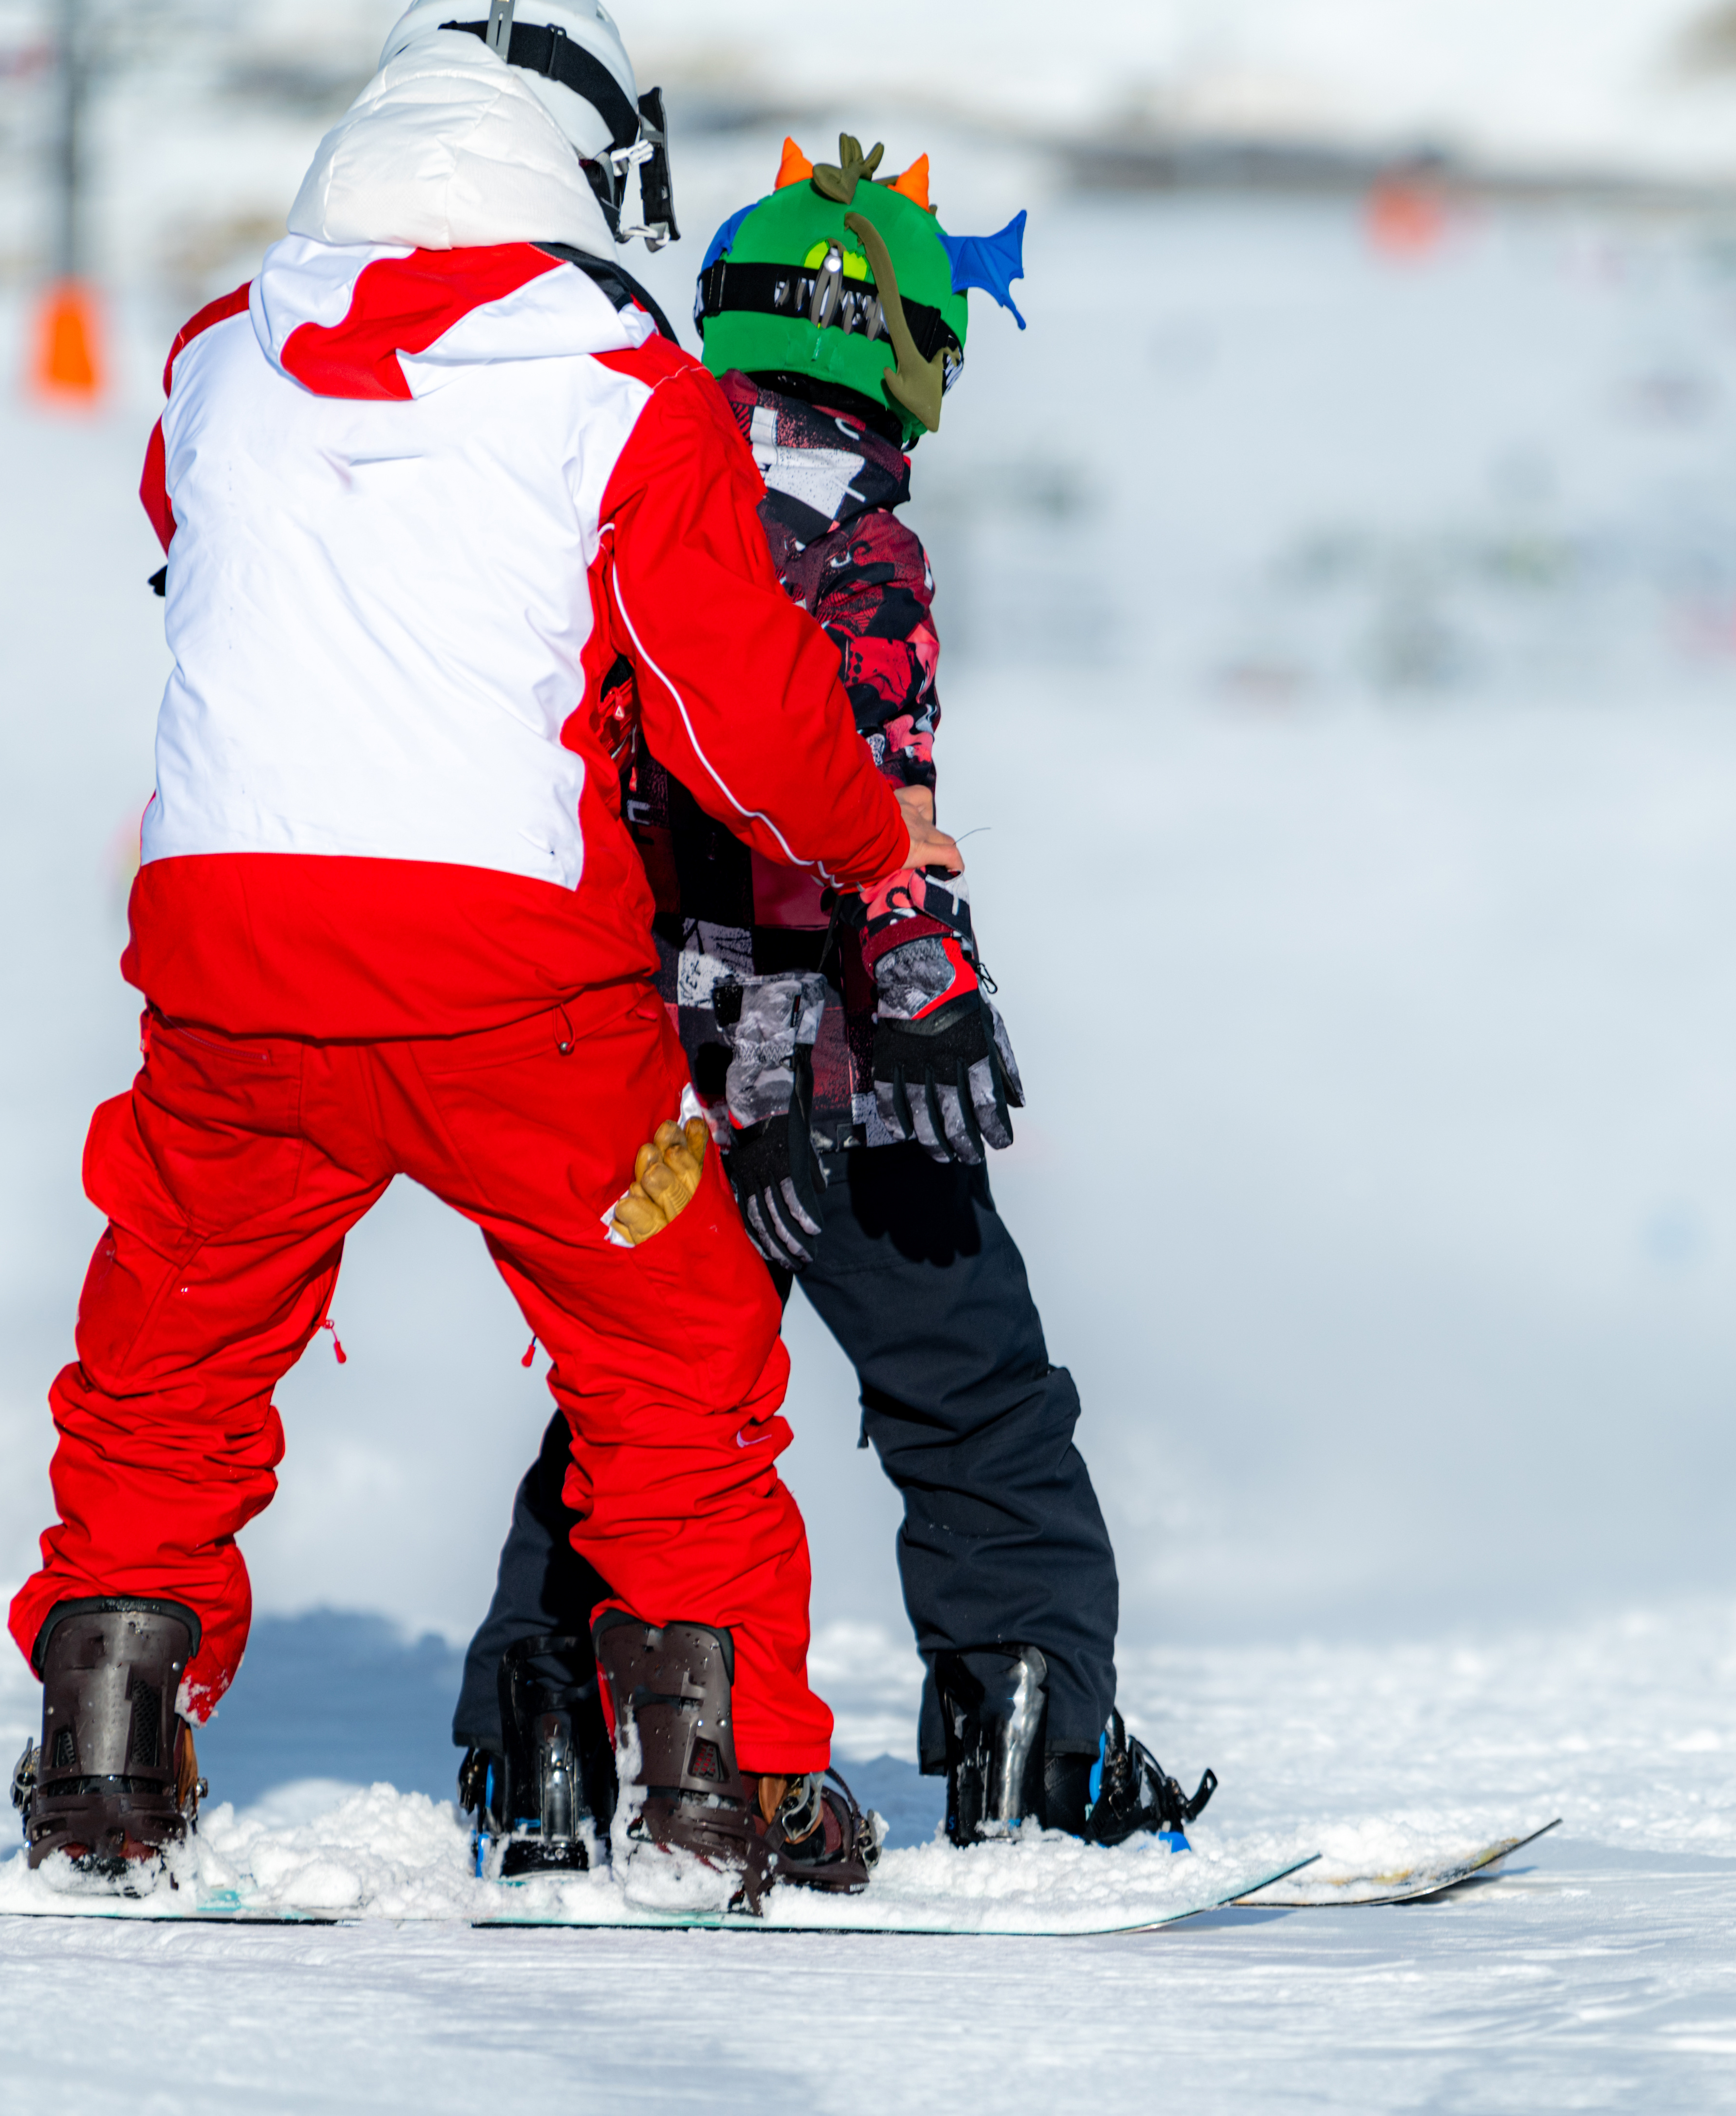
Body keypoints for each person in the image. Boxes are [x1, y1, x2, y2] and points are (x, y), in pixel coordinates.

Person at [9, 1, 938, 1915]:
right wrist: (870, 839)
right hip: (513, 974)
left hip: (231, 950)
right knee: (672, 1349)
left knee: (171, 1348)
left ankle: (106, 1751)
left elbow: (196, 553)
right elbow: (731, 710)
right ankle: (720, 1783)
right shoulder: (620, 380)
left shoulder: (215, 354)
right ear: (596, 165)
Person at [451, 137, 1212, 1872]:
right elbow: (830, 809)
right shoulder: (855, 546)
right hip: (843, 1085)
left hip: (628, 1059)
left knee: (638, 1409)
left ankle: (551, 1742)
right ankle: (1037, 1747)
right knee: (978, 1402)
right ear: (894, 348)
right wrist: (835, 1050)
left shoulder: (627, 498)